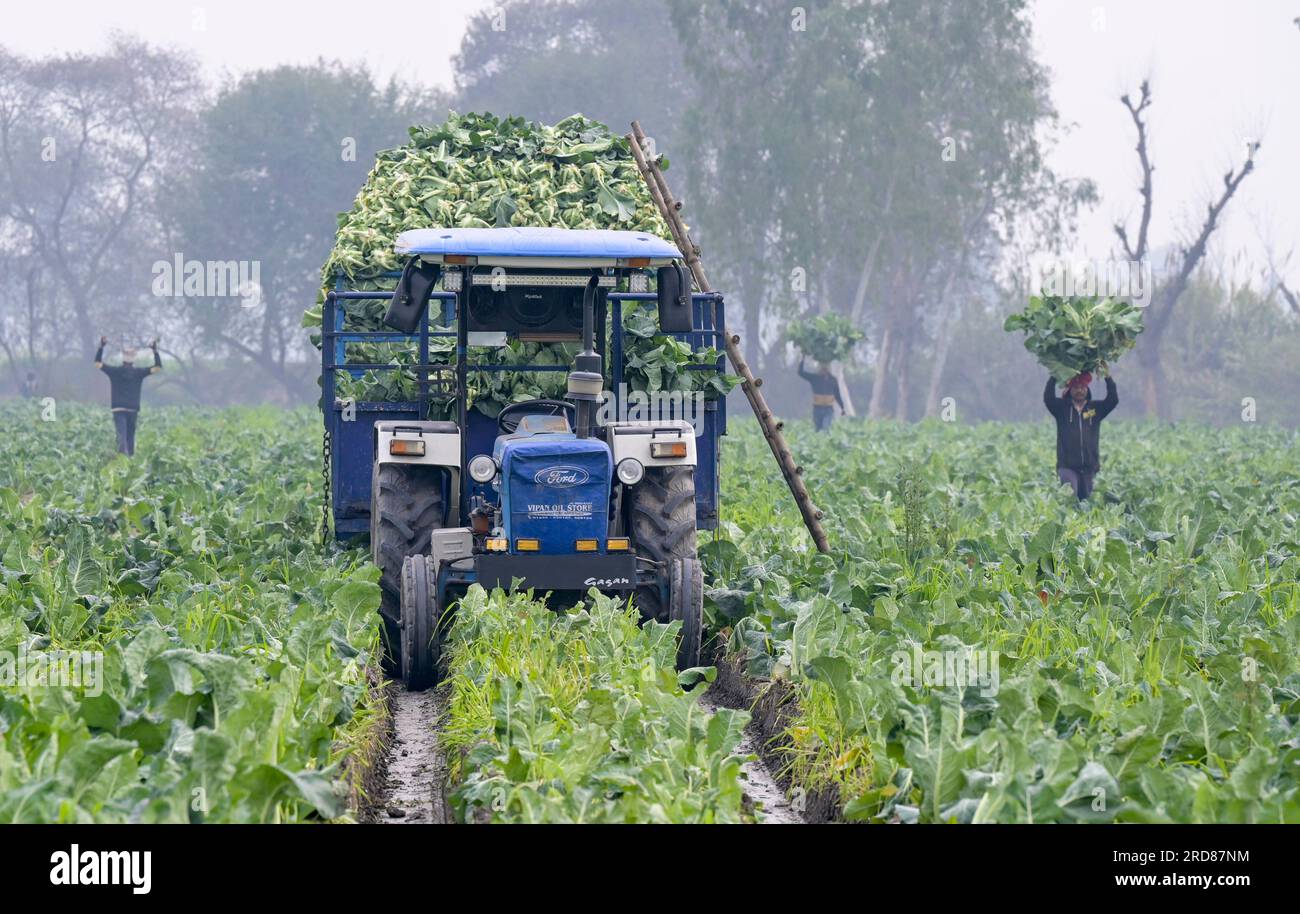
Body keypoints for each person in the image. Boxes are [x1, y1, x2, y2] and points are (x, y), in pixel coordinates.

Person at [1043, 369, 1118, 500]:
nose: (1079, 390)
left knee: (1086, 501)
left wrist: (1107, 377)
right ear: (1070, 390)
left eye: (1083, 387)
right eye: (1076, 387)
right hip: (1067, 466)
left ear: (1087, 390)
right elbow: (1048, 398)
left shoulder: (1094, 410)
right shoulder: (1061, 408)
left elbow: (1113, 400)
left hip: (1089, 468)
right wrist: (1055, 375)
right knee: (1071, 498)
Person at [94, 336, 161, 456]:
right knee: (130, 436)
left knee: (121, 434)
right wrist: (155, 351)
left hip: (118, 408)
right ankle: (129, 460)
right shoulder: (138, 373)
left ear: (123, 359)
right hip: (133, 408)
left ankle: (122, 458)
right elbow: (157, 368)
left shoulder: (115, 371)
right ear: (133, 360)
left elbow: (98, 364)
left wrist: (101, 347)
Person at [797, 358, 845, 431]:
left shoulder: (833, 380)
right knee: (817, 429)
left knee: (825, 428)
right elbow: (800, 372)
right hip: (817, 408)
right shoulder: (814, 378)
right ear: (819, 368)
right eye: (822, 368)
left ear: (828, 369)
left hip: (828, 409)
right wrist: (802, 359)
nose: (824, 370)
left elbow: (837, 394)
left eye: (825, 368)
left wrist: (842, 407)